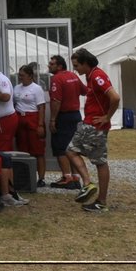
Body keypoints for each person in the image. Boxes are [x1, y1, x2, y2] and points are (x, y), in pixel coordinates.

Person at [66, 48, 120, 213]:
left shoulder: (97, 76)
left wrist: (107, 117)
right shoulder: (92, 76)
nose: (75, 69)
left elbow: (115, 97)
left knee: (76, 153)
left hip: (94, 126)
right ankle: (96, 195)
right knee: (93, 159)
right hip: (93, 125)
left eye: (77, 65)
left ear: (85, 63)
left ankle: (93, 190)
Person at [46, 54, 85, 189]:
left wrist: (52, 120)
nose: (49, 66)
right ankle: (76, 177)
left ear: (59, 66)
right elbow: (85, 91)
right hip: (76, 115)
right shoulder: (73, 76)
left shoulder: (57, 79)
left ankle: (66, 177)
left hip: (64, 116)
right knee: (73, 147)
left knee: (60, 147)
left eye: (52, 64)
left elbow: (56, 101)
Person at [12, 63, 49, 187]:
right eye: (19, 75)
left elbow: (41, 107)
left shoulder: (36, 88)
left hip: (33, 117)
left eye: (22, 75)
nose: (20, 78)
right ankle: (26, 176)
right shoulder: (16, 88)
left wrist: (40, 125)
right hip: (20, 117)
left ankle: (41, 178)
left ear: (30, 76)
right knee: (23, 149)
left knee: (37, 150)